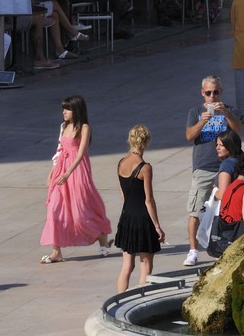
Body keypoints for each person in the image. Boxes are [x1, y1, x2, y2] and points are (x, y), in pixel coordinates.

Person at [40, 95, 114, 264]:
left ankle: (102, 237)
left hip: (77, 171)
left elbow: (80, 154)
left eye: (67, 109)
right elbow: (59, 149)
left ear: (76, 110)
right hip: (61, 169)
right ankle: (56, 251)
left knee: (81, 211)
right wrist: (52, 172)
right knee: (54, 208)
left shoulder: (85, 128)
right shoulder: (63, 127)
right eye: (63, 109)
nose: (64, 112)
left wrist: (68, 174)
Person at [183, 76, 241, 266]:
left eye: (215, 92)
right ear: (202, 93)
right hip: (203, 167)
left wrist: (226, 114)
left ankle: (227, 244)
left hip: (225, 166)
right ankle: (193, 251)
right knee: (195, 210)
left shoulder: (228, 110)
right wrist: (202, 122)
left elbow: (238, 129)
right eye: (208, 93)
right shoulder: (195, 111)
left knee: (228, 207)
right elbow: (189, 135)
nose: (212, 96)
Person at [114, 125, 164, 293]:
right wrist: (157, 226)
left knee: (127, 266)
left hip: (127, 217)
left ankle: (119, 301)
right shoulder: (145, 167)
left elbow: (123, 195)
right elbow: (148, 200)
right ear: (146, 142)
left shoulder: (121, 163)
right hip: (143, 219)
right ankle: (141, 301)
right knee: (146, 265)